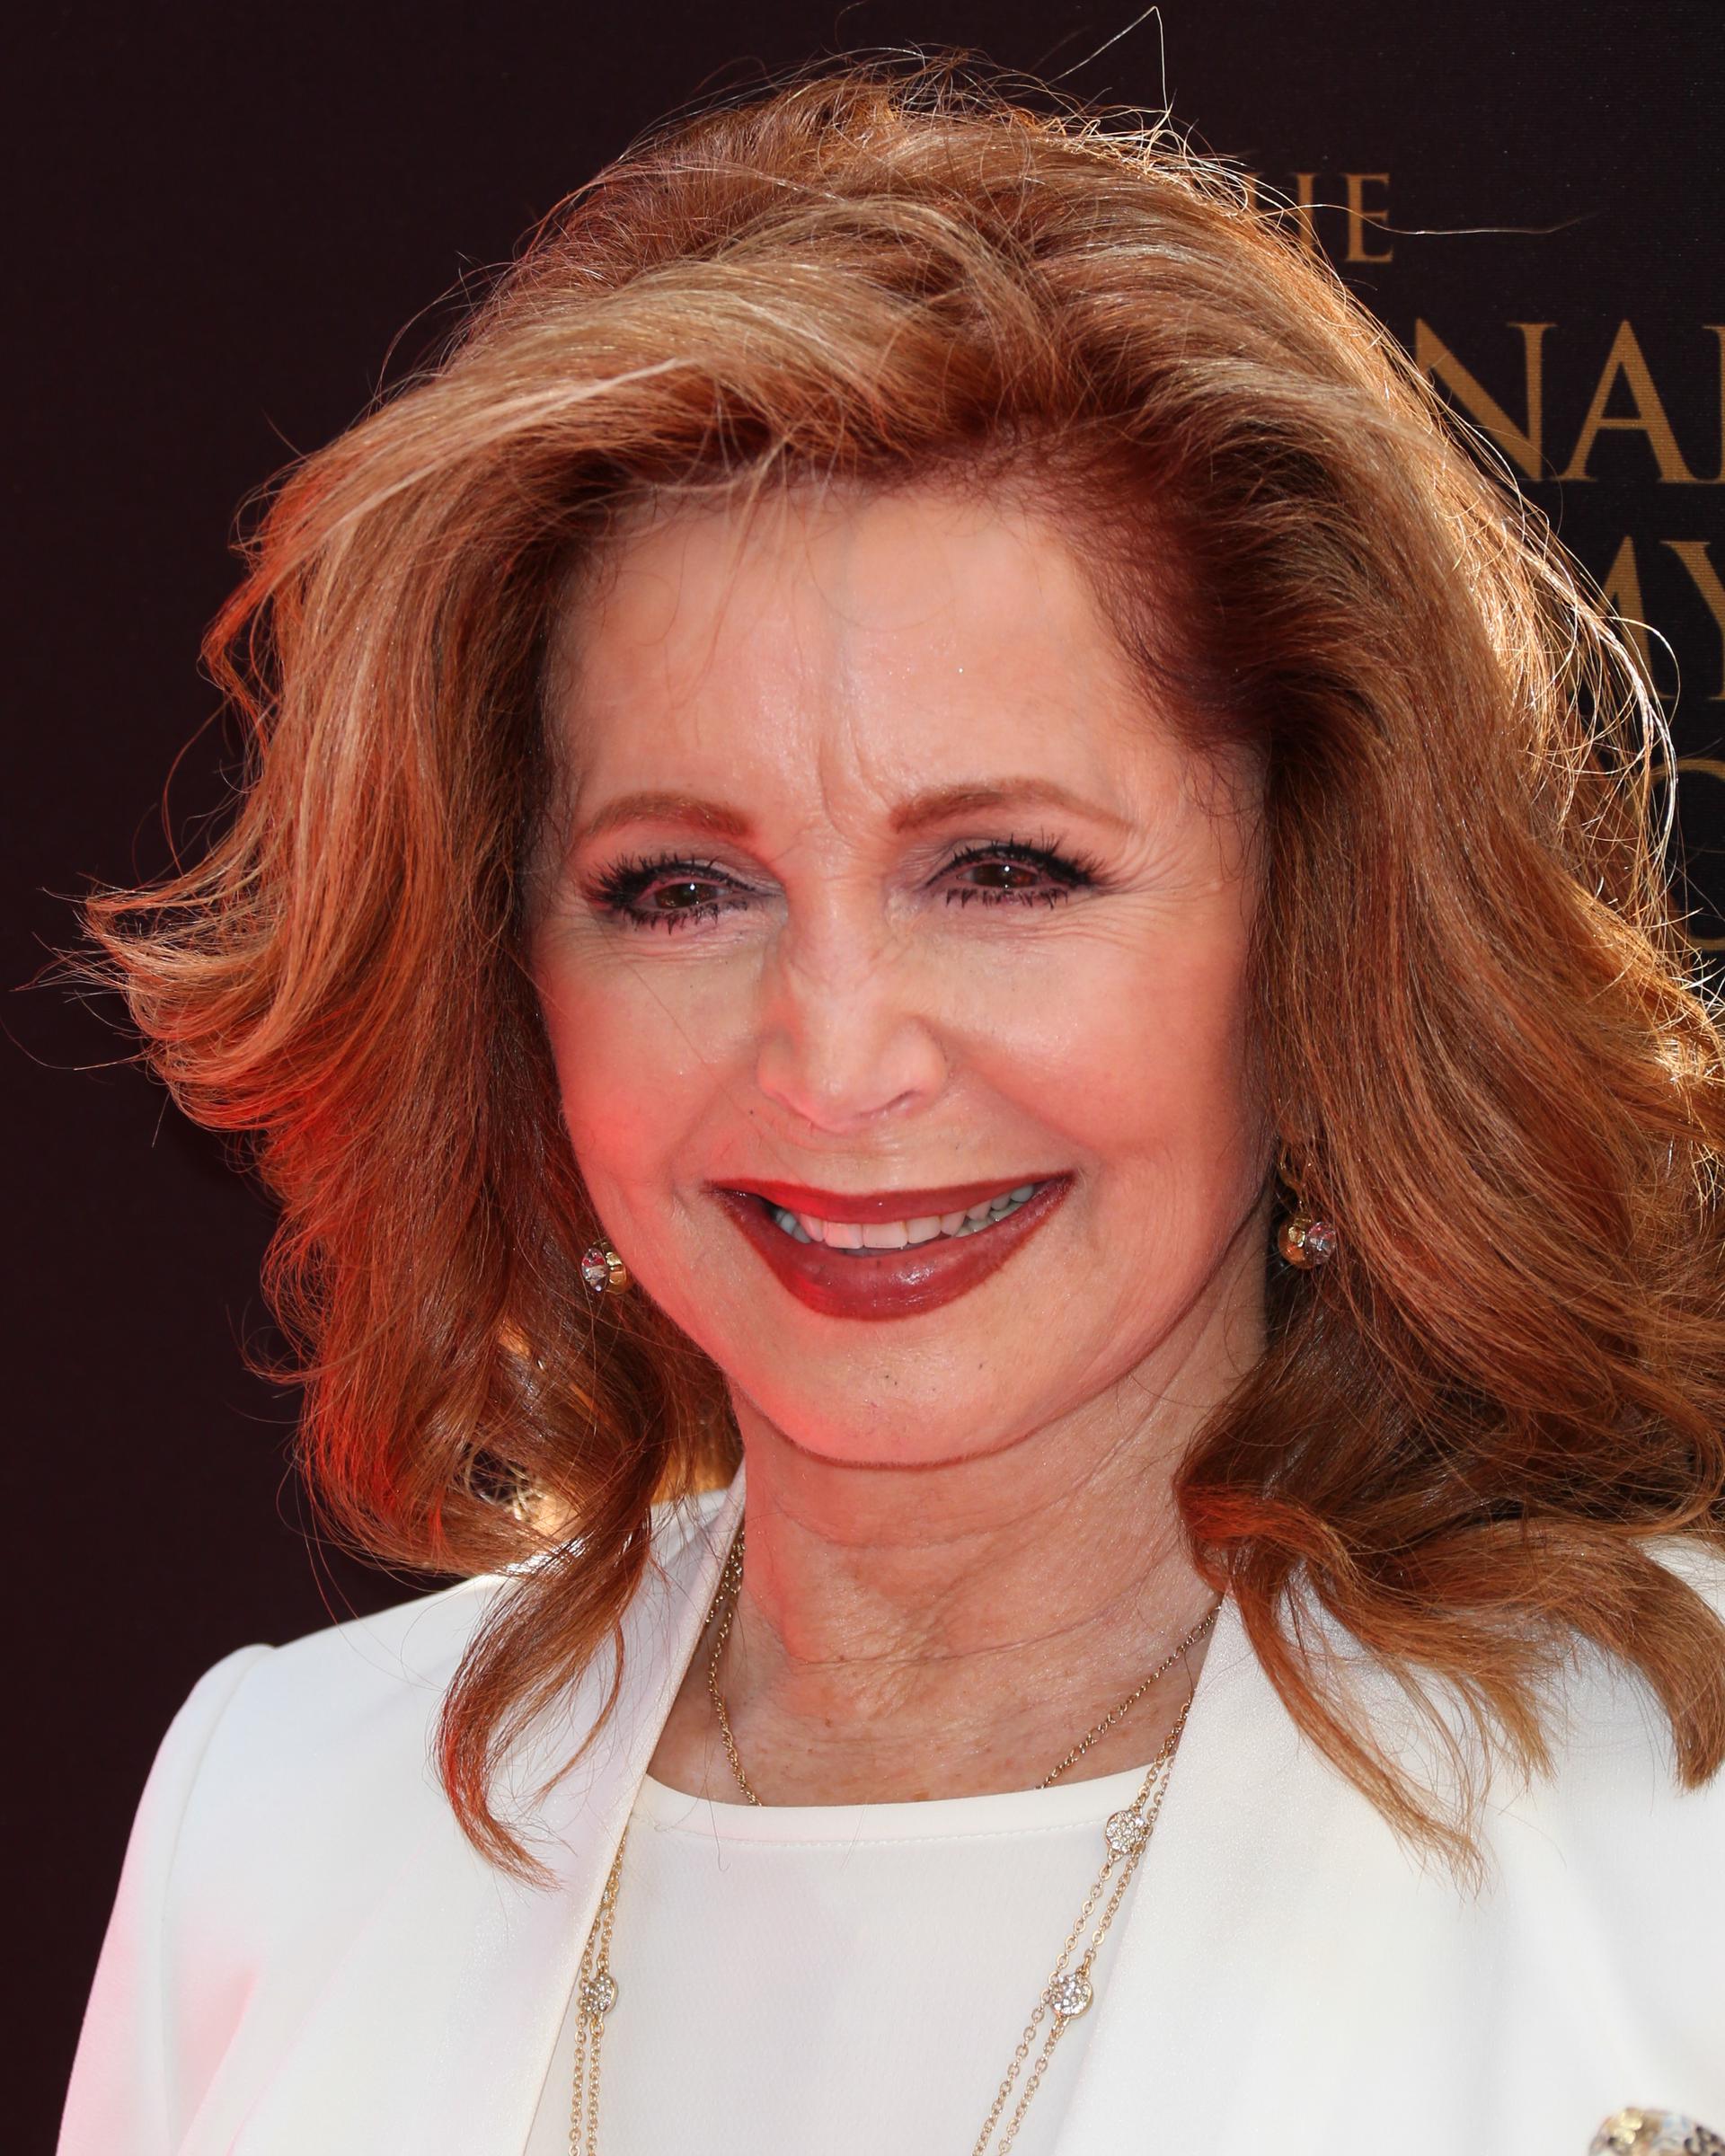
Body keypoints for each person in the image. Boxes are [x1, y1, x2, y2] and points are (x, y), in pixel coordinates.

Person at [57, 55, 1725, 2156]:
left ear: (1317, 942)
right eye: (681, 889)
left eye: (1005, 871)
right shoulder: (284, 1818)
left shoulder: (1679, 1839)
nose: (838, 1057)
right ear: (514, 985)